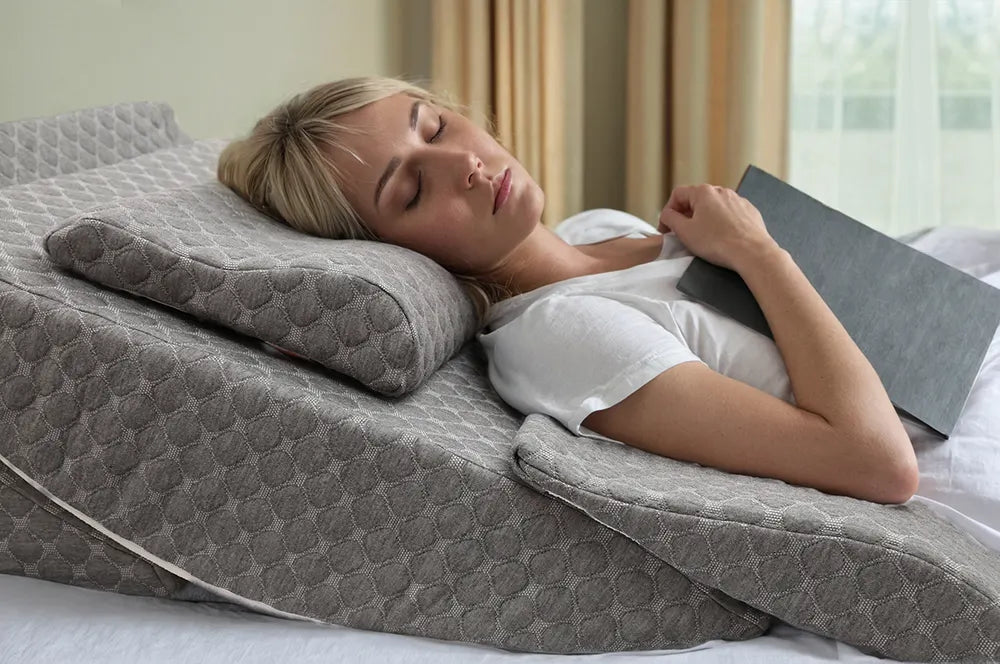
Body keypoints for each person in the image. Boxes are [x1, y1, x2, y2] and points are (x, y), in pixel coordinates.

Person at [218, 76, 919, 505]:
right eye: (410, 189)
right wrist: (760, 251)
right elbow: (876, 463)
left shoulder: (600, 227)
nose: (462, 161)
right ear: (390, 253)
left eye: (432, 125)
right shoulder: (558, 337)